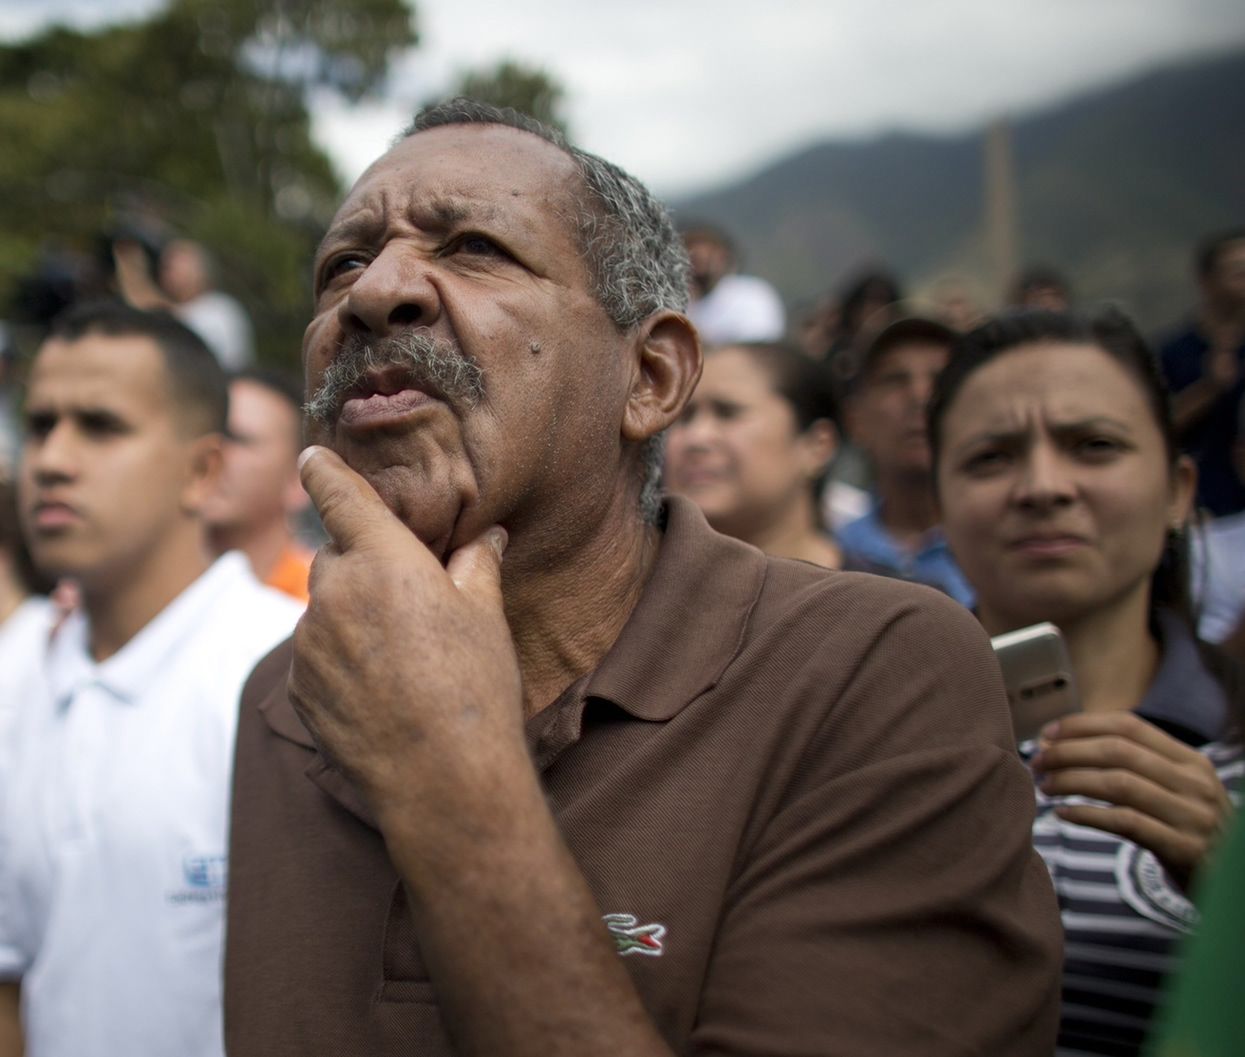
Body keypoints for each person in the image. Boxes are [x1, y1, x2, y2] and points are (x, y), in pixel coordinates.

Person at [223, 99, 1062, 1057]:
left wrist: (447, 770)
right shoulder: (285, 698)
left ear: (652, 377)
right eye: (342, 265)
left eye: (472, 247)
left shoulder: (871, 669)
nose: (375, 293)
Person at [928, 307, 1242, 1056]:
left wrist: (1230, 891)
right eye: (990, 457)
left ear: (1177, 489)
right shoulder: (845, 738)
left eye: (1093, 446)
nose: (1042, 485)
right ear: (938, 504)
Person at [0, 302, 302, 1057]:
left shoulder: (290, 668)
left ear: (202, 470)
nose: (54, 459)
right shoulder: (14, 665)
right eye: (40, 425)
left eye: (101, 426)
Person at [663, 341, 842, 568]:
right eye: (685, 417)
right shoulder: (630, 591)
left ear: (817, 446)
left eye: (727, 413)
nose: (695, 438)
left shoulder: (880, 597)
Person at [837, 314, 975, 604]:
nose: (920, 396)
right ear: (855, 420)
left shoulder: (1002, 546)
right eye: (894, 380)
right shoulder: (829, 558)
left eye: (940, 379)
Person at [203, 368, 314, 601]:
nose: (212, 453)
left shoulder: (320, 604)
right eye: (205, 434)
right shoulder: (133, 595)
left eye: (237, 439)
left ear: (298, 479)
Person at [1157, 229, 1245, 518]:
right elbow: (1156, 428)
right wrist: (1209, 388)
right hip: (1201, 510)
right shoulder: (1173, 352)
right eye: (1237, 271)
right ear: (1207, 281)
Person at [116, 237, 256, 370]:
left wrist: (133, 274)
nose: (167, 271)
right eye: (166, 266)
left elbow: (171, 324)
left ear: (201, 271)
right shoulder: (189, 309)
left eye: (174, 264)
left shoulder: (221, 309)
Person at [681, 224, 785, 344]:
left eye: (704, 260)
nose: (698, 268)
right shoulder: (685, 304)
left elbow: (758, 344)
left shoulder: (752, 294)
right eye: (692, 260)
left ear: (724, 258)